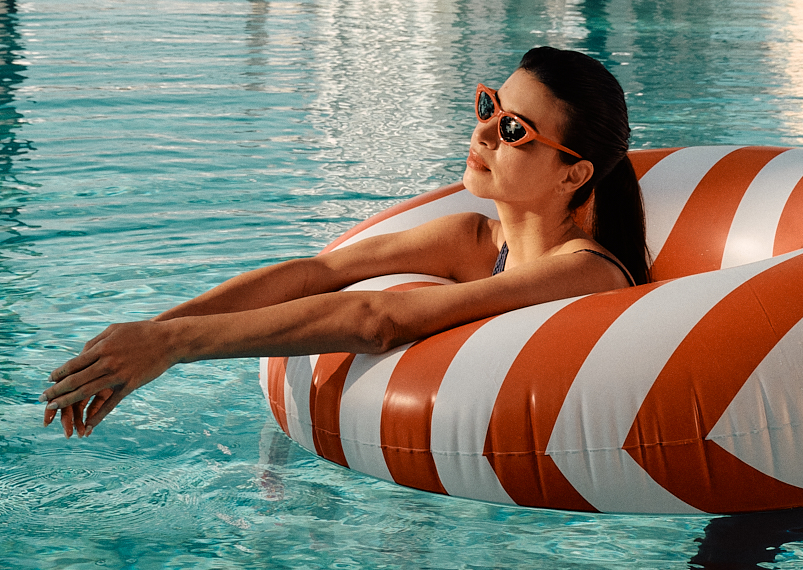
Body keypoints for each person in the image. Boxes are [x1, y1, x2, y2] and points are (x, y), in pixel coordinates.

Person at [45, 44, 649, 437]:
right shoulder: (476, 240)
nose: (484, 130)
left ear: (575, 173)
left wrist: (174, 345)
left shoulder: (585, 273)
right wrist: (147, 336)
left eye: (515, 129)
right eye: (489, 106)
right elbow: (317, 273)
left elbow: (376, 318)